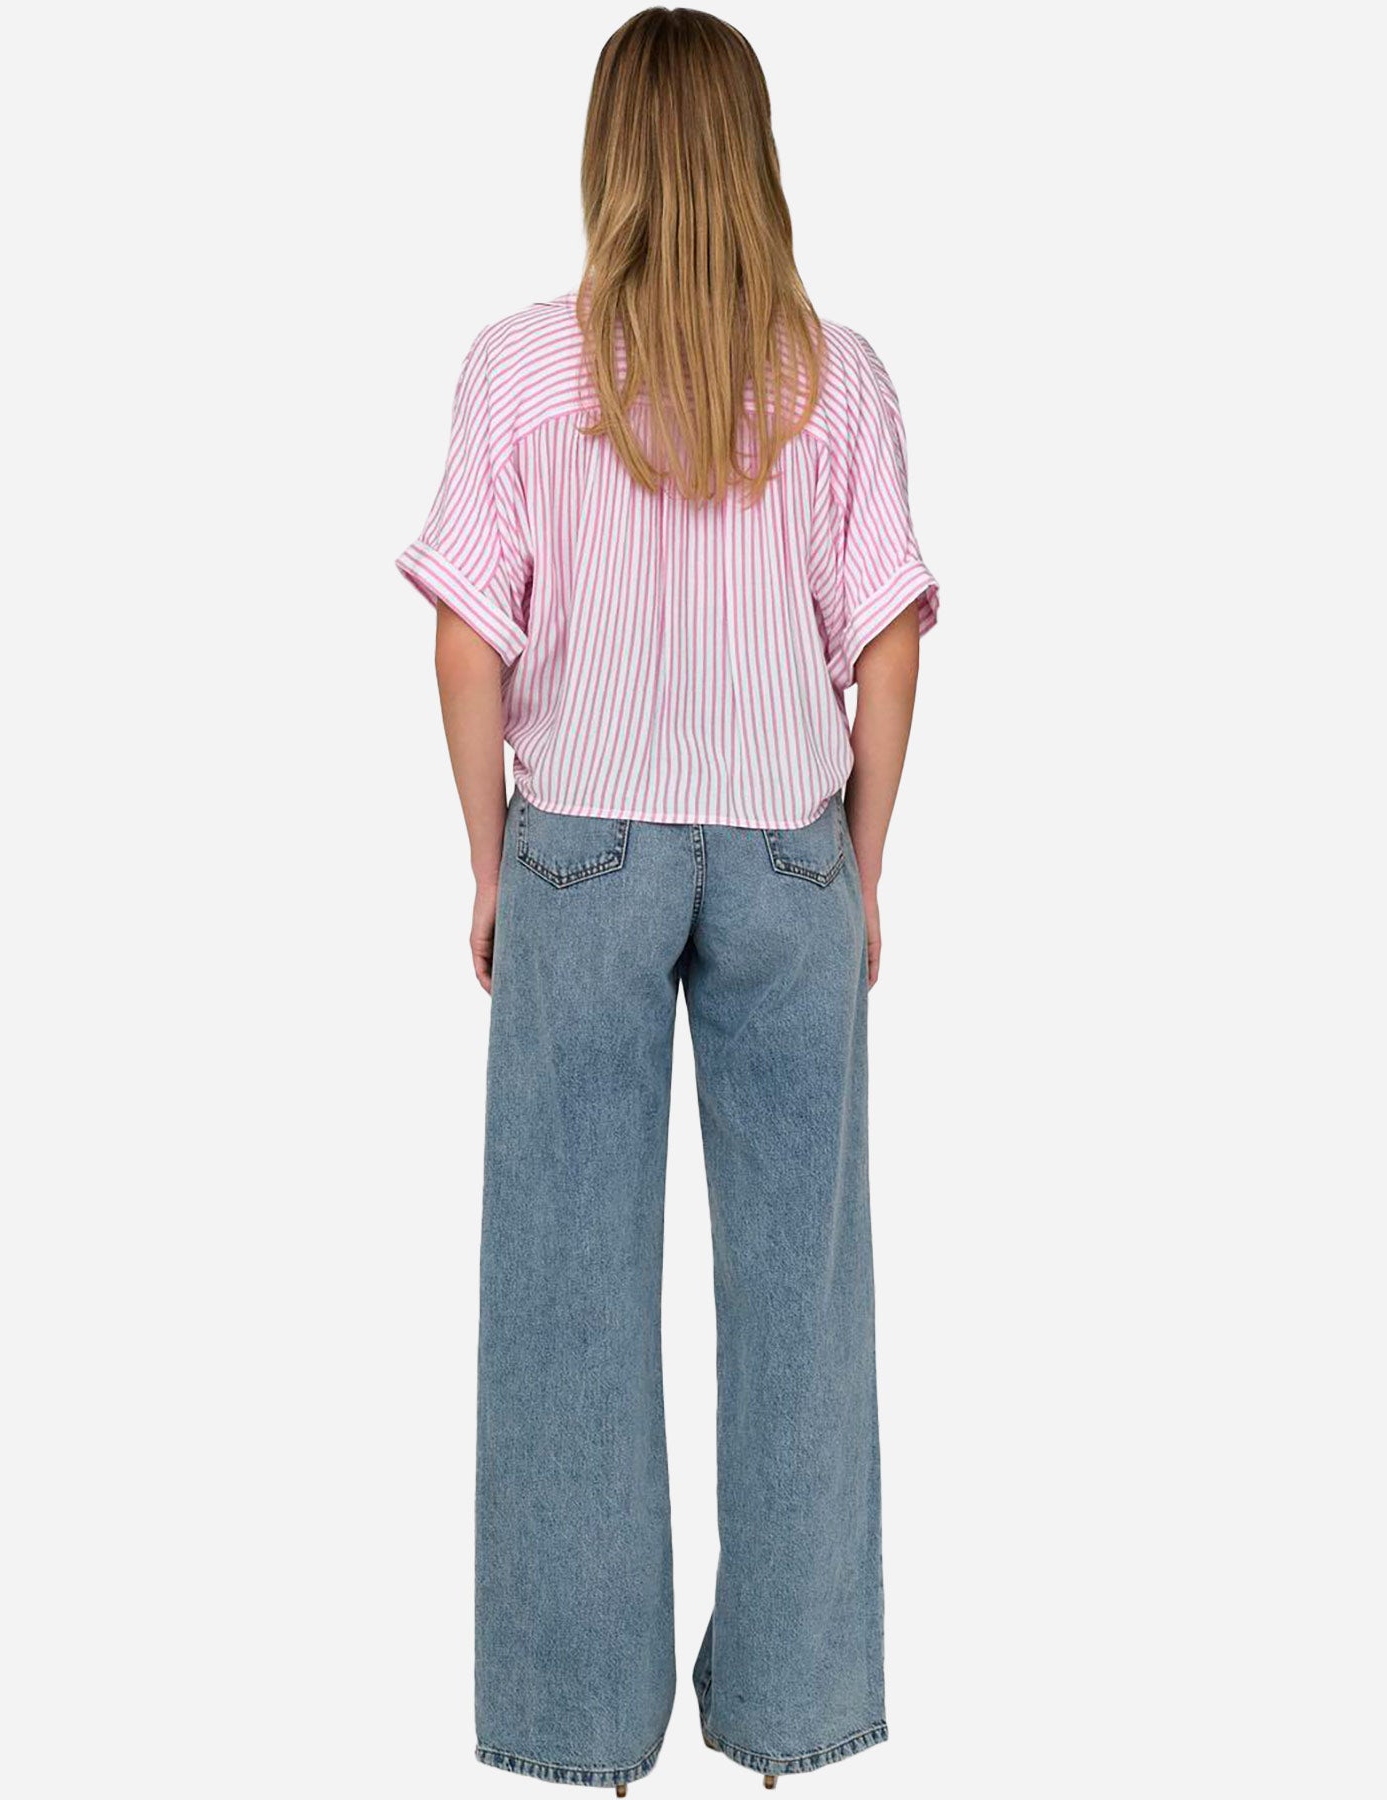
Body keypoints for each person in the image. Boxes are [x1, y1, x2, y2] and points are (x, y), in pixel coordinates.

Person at [394, 9, 940, 1790]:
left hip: (583, 850)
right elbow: (888, 638)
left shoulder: (519, 369)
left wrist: (492, 864)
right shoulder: (837, 375)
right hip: (786, 851)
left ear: (610, 154)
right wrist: (861, 866)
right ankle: (788, 1726)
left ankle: (583, 1737)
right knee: (802, 1301)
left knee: (565, 1295)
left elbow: (470, 642)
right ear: (753, 156)